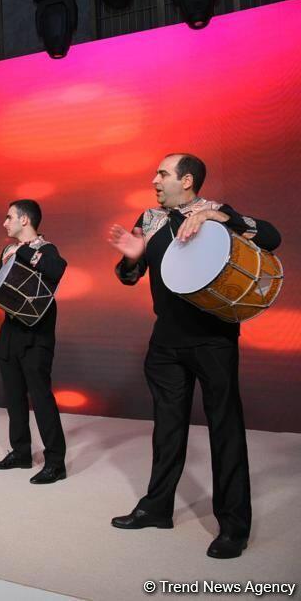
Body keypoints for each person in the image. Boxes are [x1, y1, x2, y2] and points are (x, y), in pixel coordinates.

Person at [107, 153, 281, 559]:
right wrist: (131, 256)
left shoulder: (217, 211)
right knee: (167, 428)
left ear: (186, 180)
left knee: (225, 429)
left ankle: (234, 526)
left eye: (162, 174)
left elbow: (271, 236)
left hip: (213, 341)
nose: (154, 180)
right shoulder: (149, 219)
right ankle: (156, 508)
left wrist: (220, 218)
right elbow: (129, 277)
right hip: (165, 343)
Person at [0, 200, 67, 485]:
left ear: (25, 220)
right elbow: (0, 291)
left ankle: (55, 462)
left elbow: (56, 270)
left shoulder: (46, 249)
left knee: (41, 398)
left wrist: (21, 250)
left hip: (37, 335)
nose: (4, 222)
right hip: (11, 333)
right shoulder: (7, 251)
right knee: (13, 397)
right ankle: (21, 452)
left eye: (9, 217)